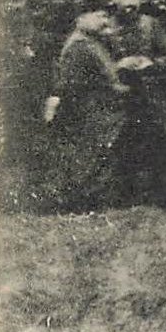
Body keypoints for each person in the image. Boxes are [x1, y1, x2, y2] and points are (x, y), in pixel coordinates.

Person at [103, 0, 166, 206]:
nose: (131, 2)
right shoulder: (106, 27)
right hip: (119, 95)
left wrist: (151, 63)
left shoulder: (150, 24)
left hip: (150, 93)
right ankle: (125, 194)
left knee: (158, 139)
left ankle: (160, 191)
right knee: (122, 142)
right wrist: (118, 64)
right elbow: (97, 59)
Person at [41, 11, 127, 211]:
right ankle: (87, 201)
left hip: (98, 106)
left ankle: (94, 199)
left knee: (98, 152)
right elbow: (75, 84)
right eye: (98, 17)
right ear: (80, 20)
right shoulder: (80, 45)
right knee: (92, 154)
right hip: (91, 108)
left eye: (106, 17)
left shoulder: (92, 42)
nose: (104, 21)